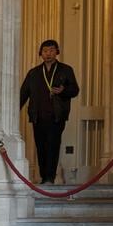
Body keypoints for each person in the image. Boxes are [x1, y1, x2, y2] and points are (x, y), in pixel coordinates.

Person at [19, 39, 79, 184]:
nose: (48, 53)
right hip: (37, 116)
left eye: (51, 50)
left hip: (56, 116)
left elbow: (75, 90)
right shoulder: (33, 73)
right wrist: (14, 111)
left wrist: (63, 91)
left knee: (53, 145)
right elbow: (23, 94)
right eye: (45, 51)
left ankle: (49, 178)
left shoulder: (66, 69)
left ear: (57, 51)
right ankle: (43, 176)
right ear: (41, 53)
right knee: (40, 147)